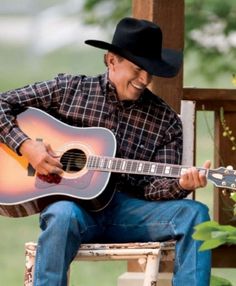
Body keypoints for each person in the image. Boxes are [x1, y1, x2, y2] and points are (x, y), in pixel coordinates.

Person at [0, 17, 211, 286]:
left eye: (150, 71)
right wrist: (27, 146)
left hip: (129, 214)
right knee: (61, 213)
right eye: (137, 68)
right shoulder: (70, 90)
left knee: (194, 213)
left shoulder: (166, 122)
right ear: (112, 60)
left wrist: (180, 184)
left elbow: (153, 189)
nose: (145, 79)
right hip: (76, 212)